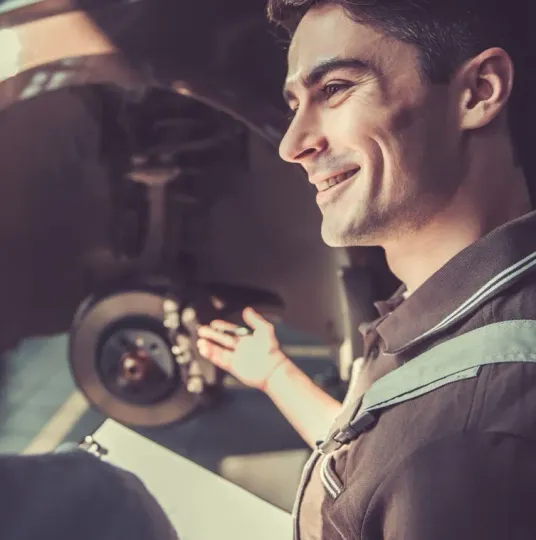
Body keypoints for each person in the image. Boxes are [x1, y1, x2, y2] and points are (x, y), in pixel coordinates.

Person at [196, 1, 536, 538]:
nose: (292, 145)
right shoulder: (454, 300)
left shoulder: (468, 445)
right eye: (294, 104)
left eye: (334, 89)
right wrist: (275, 375)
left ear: (479, 92)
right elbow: (374, 456)